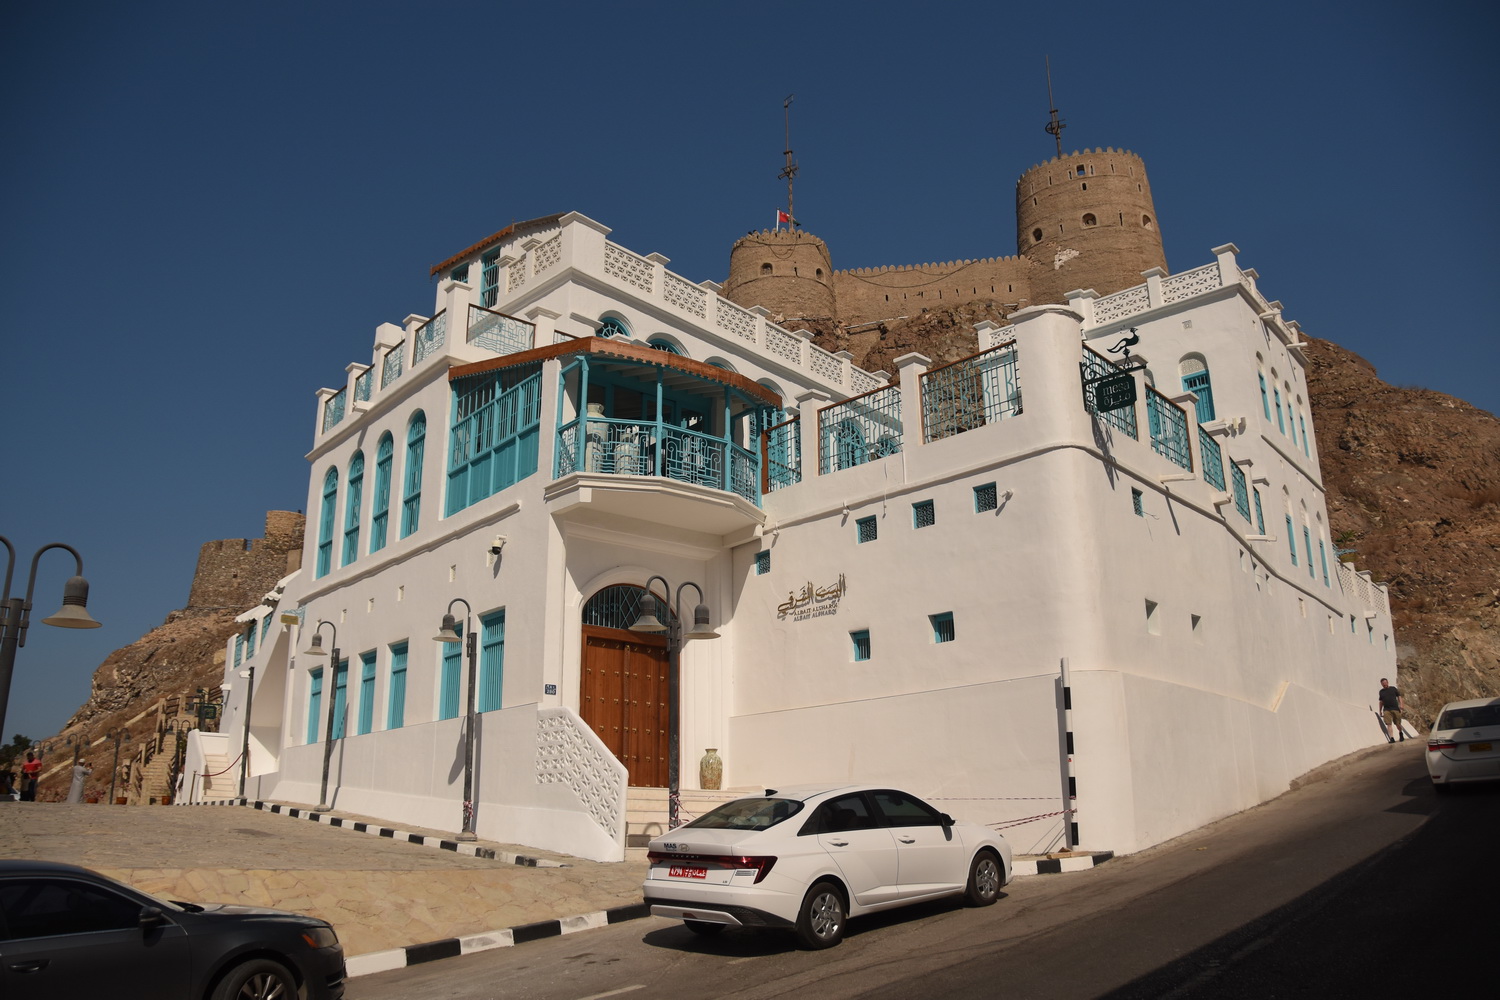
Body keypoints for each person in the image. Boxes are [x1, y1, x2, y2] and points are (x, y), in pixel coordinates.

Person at [1378, 678, 1406, 743]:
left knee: (1397, 724)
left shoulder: (1393, 689)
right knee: (1388, 724)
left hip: (1395, 708)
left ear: (1387, 682)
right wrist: (1380, 710)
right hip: (1386, 709)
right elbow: (1381, 702)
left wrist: (1401, 706)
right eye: (1383, 683)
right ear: (1381, 684)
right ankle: (1392, 738)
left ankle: (1400, 733)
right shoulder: (1381, 692)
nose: (1384, 684)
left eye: (1385, 683)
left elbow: (1399, 697)